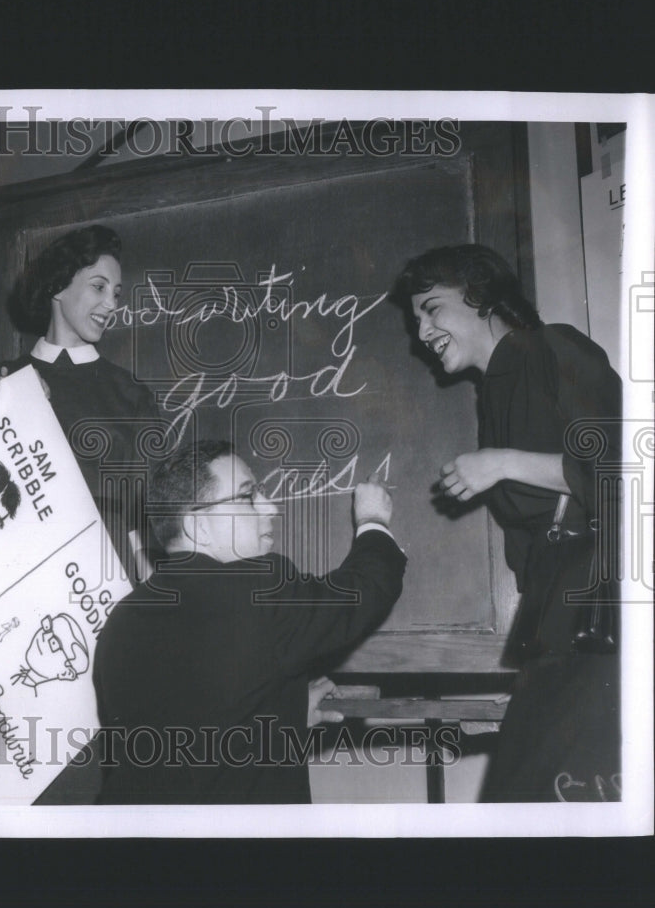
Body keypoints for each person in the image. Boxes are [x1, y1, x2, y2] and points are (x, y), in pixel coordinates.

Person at [391, 243, 622, 802]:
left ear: (481, 299)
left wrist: (501, 463)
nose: (421, 332)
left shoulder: (552, 348)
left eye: (432, 308)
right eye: (416, 316)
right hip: (557, 621)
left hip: (602, 616)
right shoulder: (492, 393)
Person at [92, 440, 406, 804]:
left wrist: (282, 715)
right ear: (199, 526)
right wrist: (372, 519)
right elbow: (367, 588)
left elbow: (191, 730)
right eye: (247, 496)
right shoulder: (257, 590)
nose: (270, 508)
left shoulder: (121, 621)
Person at [0, 224, 159, 579]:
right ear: (58, 287)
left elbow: (141, 522)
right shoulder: (3, 379)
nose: (111, 304)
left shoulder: (131, 394)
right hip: (22, 566)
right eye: (98, 287)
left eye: (116, 293)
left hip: (108, 570)